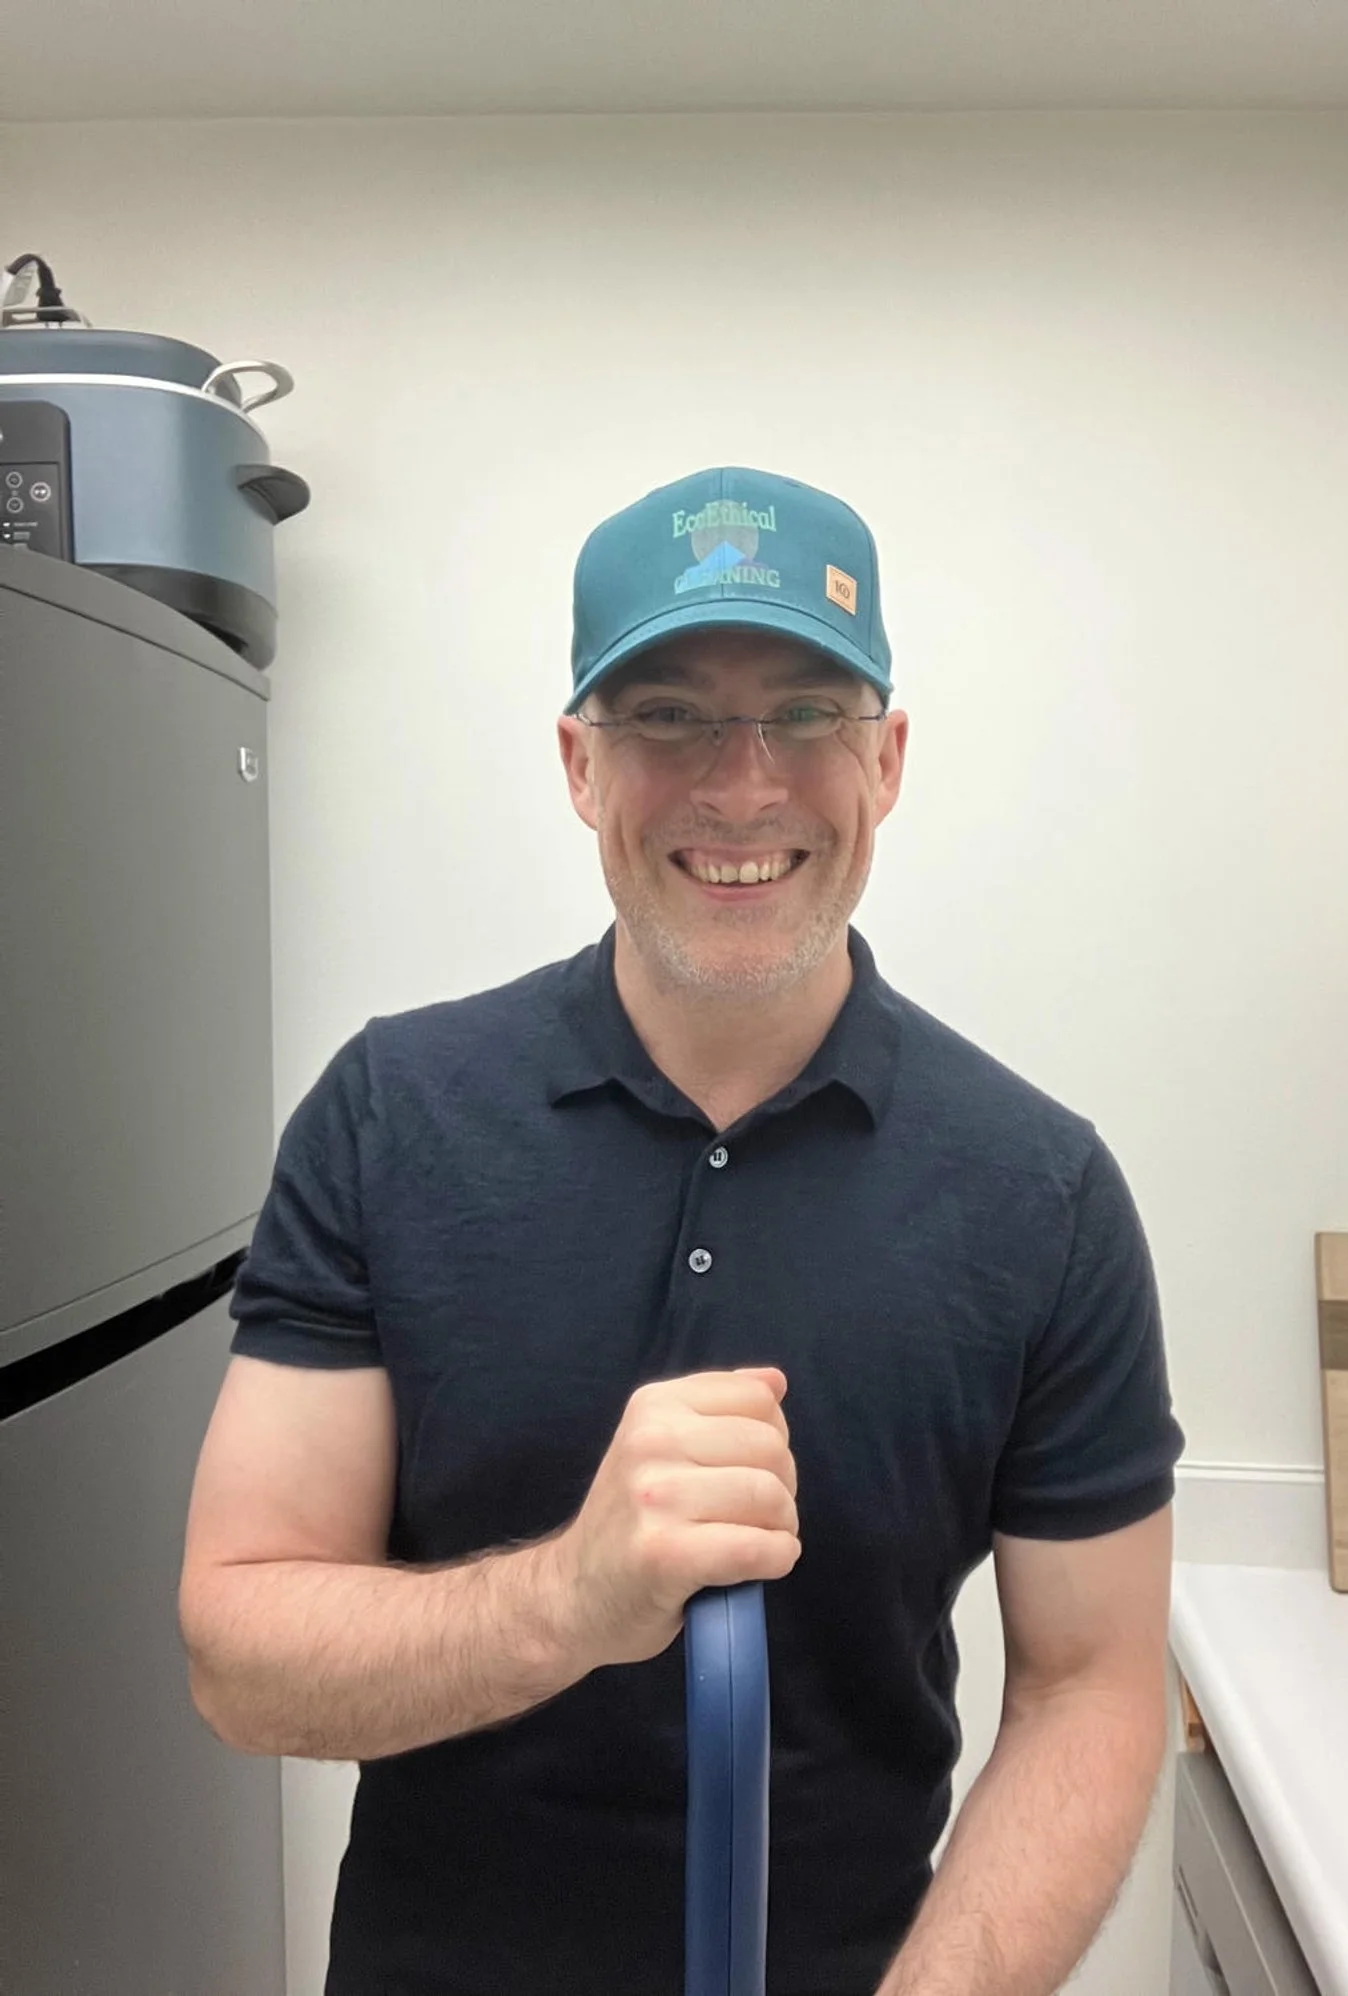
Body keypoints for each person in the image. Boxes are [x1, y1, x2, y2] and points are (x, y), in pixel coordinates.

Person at [179, 465, 1186, 1996]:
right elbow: (241, 1652)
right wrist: (570, 1597)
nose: (741, 785)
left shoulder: (1042, 1198)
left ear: (890, 758)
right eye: (667, 717)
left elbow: (1093, 1687)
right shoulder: (394, 1115)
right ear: (579, 764)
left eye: (804, 714)